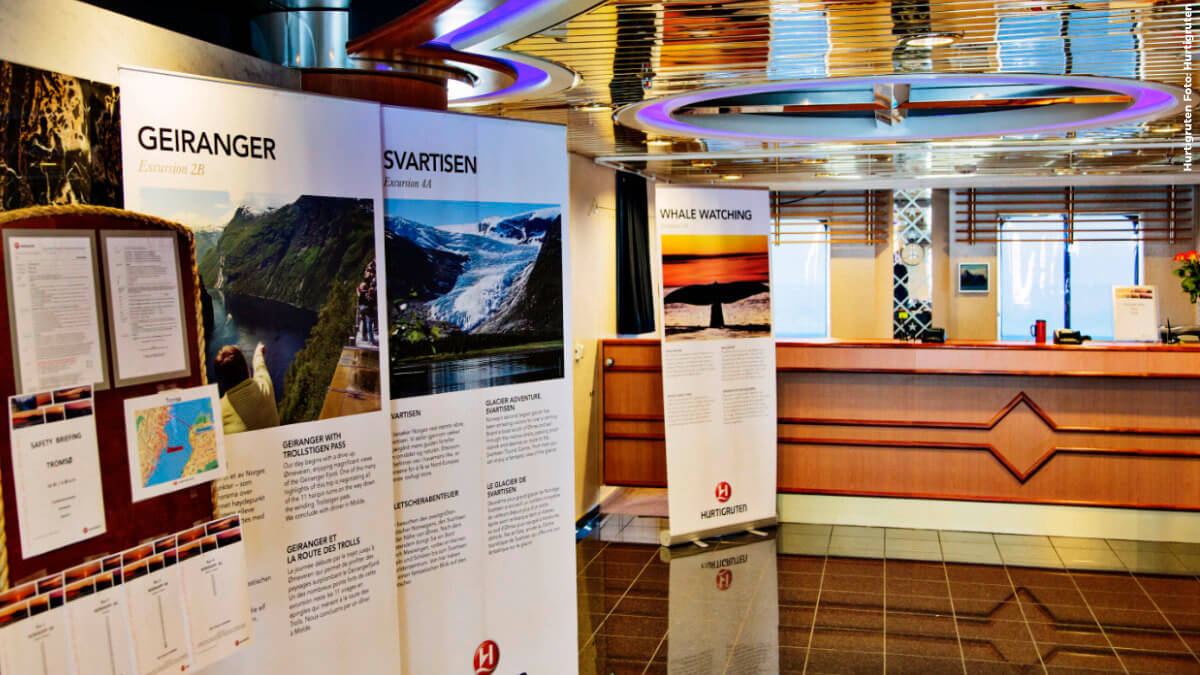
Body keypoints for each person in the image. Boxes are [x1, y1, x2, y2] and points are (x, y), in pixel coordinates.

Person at [214, 343, 279, 434]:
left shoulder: (217, 413)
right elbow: (259, 366)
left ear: (221, 382)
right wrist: (258, 351)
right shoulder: (264, 386)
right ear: (247, 369)